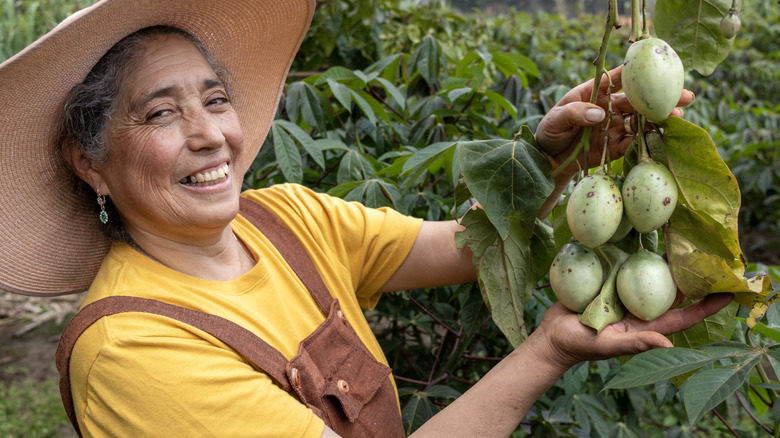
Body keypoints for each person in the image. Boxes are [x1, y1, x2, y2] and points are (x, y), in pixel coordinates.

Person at [0, 0, 731, 437]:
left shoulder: (283, 218)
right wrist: (547, 352)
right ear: (88, 163)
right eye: (161, 112)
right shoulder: (131, 350)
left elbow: (463, 248)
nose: (209, 134)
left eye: (215, 99)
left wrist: (550, 159)